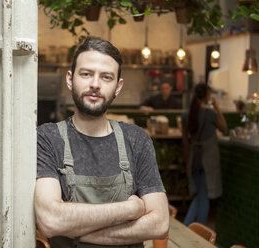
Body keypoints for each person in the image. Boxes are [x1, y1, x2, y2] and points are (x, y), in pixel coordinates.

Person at [35, 36, 169, 247]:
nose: (95, 84)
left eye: (106, 77)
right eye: (86, 74)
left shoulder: (136, 140)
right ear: (70, 79)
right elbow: (51, 220)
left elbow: (160, 224)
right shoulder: (48, 138)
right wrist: (131, 209)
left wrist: (74, 231)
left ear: (118, 86)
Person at [182, 83, 228, 226]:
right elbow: (225, 129)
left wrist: (187, 161)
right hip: (207, 160)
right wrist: (217, 108)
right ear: (207, 96)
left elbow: (185, 140)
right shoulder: (210, 114)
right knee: (204, 196)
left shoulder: (186, 115)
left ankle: (187, 227)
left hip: (194, 158)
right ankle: (196, 230)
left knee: (200, 195)